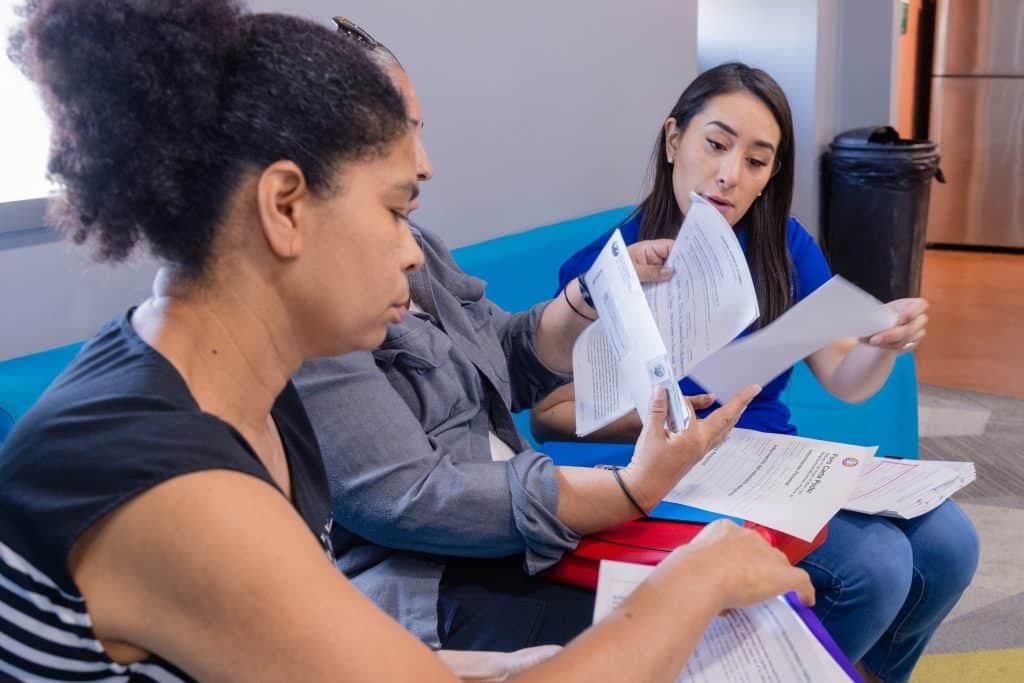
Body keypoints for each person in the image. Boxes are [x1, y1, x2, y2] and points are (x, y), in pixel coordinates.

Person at [0, 3, 813, 682]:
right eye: (395, 209)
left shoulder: (226, 387)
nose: (413, 251)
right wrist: (696, 578)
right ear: (284, 207)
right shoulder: (171, 482)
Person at [293, 17, 764, 652]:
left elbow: (504, 357)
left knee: (744, 607)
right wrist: (629, 489)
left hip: (521, 538)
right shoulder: (316, 301)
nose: (425, 165)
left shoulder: (418, 248)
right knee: (708, 632)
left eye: (419, 132)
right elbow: (408, 497)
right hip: (434, 582)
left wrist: (591, 296)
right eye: (397, 136)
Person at [532, 62, 979, 683]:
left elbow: (845, 378)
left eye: (756, 161)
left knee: (951, 544)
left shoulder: (784, 246)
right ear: (673, 140)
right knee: (873, 567)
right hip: (670, 477)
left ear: (771, 174)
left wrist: (882, 343)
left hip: (772, 464)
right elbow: (547, 416)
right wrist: (661, 422)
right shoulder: (612, 264)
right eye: (716, 145)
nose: (730, 175)